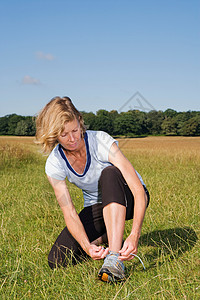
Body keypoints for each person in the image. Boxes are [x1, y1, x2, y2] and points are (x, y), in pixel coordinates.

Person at [35, 96, 150, 283]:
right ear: (54, 134)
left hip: (130, 197)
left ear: (80, 122)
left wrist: (135, 234)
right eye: (64, 134)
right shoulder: (55, 163)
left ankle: (114, 259)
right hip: (98, 205)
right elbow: (69, 212)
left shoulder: (101, 141)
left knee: (109, 173)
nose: (72, 139)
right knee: (57, 259)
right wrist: (87, 247)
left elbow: (138, 190)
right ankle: (106, 237)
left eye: (75, 130)